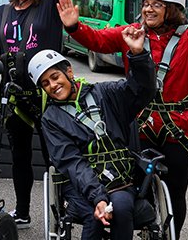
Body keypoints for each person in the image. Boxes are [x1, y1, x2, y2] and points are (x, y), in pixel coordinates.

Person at [60, 0, 188, 238]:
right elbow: (97, 40)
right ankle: (146, 225)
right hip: (139, 124)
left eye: (156, 5)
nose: (148, 10)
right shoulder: (130, 33)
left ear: (173, 9)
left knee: (175, 190)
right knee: (136, 187)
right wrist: (74, 26)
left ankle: (171, 234)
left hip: (180, 128)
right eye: (145, 5)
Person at [0, 0, 79, 227]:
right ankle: (22, 212)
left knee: (56, 153)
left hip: (48, 94)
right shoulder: (2, 12)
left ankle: (66, 210)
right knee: (20, 157)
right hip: (13, 95)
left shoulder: (50, 5)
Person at [29, 35, 154, 240]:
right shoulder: (51, 119)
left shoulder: (106, 93)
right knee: (94, 216)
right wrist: (98, 197)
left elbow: (142, 90)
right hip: (80, 185)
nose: (52, 85)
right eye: (45, 83)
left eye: (54, 77)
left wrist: (139, 56)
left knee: (121, 207)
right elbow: (72, 162)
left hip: (118, 179)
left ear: (68, 71)